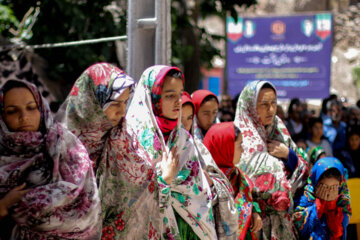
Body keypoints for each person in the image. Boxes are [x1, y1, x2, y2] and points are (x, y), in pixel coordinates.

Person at [56, 63, 166, 239]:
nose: (122, 112)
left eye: (124, 103)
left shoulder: (124, 140)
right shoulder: (60, 146)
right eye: (115, 104)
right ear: (91, 101)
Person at [0, 80, 101, 239]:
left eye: (31, 108)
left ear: (42, 109)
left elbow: (86, 208)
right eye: (12, 111)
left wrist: (24, 205)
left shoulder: (64, 145)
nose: (24, 117)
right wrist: (4, 205)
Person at [126, 65, 217, 239]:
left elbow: (199, 195)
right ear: (152, 97)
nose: (178, 101)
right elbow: (127, 195)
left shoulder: (184, 139)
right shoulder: (132, 140)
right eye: (169, 96)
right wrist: (163, 180)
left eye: (179, 94)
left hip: (190, 230)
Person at [234, 80, 308, 240]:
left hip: (285, 222)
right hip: (255, 224)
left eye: (274, 103)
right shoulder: (239, 138)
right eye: (264, 104)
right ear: (250, 105)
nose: (271, 109)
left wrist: (289, 155)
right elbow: (236, 182)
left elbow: (304, 167)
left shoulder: (279, 128)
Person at [203, 122, 262, 240]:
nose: (243, 150)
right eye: (239, 145)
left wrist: (255, 213)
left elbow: (250, 199)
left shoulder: (238, 176)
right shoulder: (207, 181)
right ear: (225, 147)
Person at [294, 157, 351, 240]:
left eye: (334, 187)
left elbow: (343, 223)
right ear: (316, 183)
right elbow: (300, 225)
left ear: (340, 184)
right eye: (324, 187)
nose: (328, 191)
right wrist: (318, 205)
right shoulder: (308, 195)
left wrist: (332, 204)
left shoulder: (343, 196)